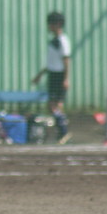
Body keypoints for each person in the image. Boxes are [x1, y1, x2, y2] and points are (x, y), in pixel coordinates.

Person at [31, 11, 71, 144]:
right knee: (53, 105)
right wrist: (40, 75)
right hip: (53, 74)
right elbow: (51, 63)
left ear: (57, 24)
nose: (49, 26)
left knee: (56, 105)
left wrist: (66, 78)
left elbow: (66, 60)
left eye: (51, 24)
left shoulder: (62, 41)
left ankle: (64, 131)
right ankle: (62, 130)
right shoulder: (53, 41)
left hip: (59, 76)